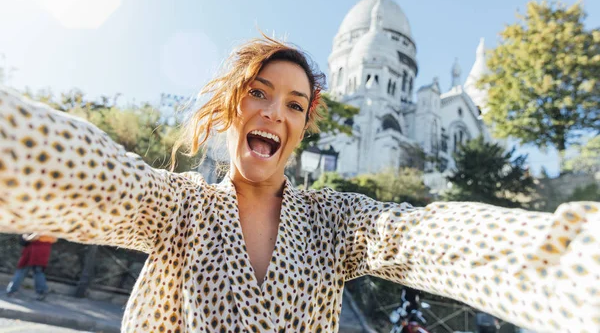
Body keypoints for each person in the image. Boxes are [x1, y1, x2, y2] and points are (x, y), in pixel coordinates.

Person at [0, 35, 598, 332]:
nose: (273, 114)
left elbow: (423, 239)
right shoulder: (179, 207)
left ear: (305, 124)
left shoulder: (331, 222)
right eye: (258, 94)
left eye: (293, 103)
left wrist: (577, 269)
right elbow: (89, 177)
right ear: (232, 107)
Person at [6, 233, 57, 300]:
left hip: (34, 249)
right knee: (38, 271)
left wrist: (27, 237)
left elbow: (36, 235)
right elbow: (54, 239)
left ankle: (12, 290)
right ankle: (42, 292)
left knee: (22, 270)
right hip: (45, 249)